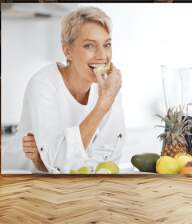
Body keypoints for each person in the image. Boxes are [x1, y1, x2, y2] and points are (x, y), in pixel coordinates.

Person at [18, 7, 126, 174]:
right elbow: (58, 163)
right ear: (67, 50)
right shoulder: (43, 84)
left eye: (107, 44)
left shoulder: (108, 85)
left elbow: (109, 154)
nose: (102, 55)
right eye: (89, 45)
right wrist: (104, 103)